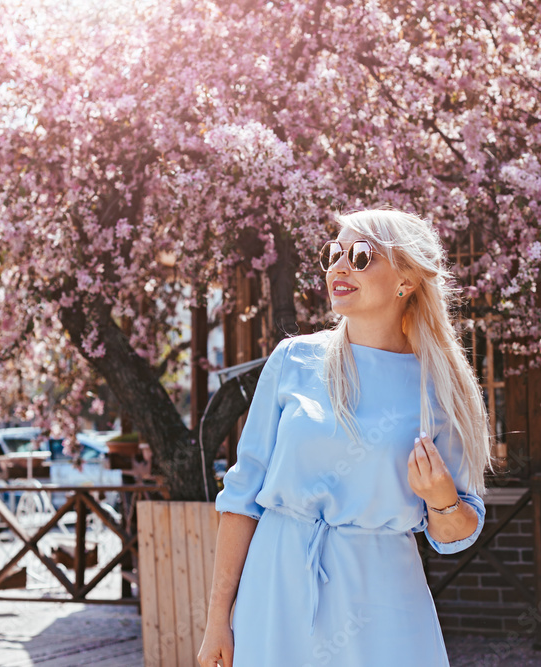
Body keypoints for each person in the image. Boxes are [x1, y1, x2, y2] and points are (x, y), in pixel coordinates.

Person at [197, 209, 494, 667]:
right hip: (276, 585)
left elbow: (457, 532)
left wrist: (441, 499)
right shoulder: (294, 359)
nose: (338, 267)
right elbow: (242, 495)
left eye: (360, 256)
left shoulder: (438, 387)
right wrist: (218, 617)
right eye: (333, 254)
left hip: (381, 595)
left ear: (407, 280)